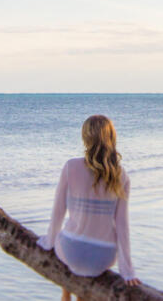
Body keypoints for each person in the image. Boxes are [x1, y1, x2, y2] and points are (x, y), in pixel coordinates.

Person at [37, 115, 140, 300]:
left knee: (65, 244)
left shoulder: (71, 167)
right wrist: (127, 270)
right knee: (80, 262)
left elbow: (58, 212)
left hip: (72, 251)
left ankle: (66, 292)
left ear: (86, 138)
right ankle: (75, 294)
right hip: (104, 256)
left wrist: (49, 241)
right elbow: (122, 225)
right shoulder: (121, 175)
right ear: (111, 138)